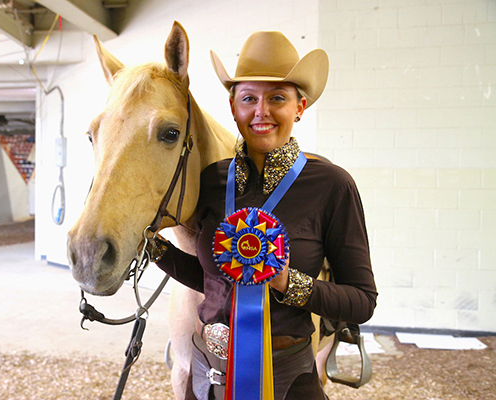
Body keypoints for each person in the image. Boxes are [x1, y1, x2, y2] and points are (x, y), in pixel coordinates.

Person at [150, 31, 378, 400]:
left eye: (277, 98)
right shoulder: (211, 181)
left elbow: (362, 300)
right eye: (248, 99)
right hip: (207, 376)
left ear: (300, 106)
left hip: (286, 380)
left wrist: (288, 282)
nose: (261, 112)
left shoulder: (332, 185)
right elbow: (211, 279)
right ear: (233, 108)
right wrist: (154, 250)